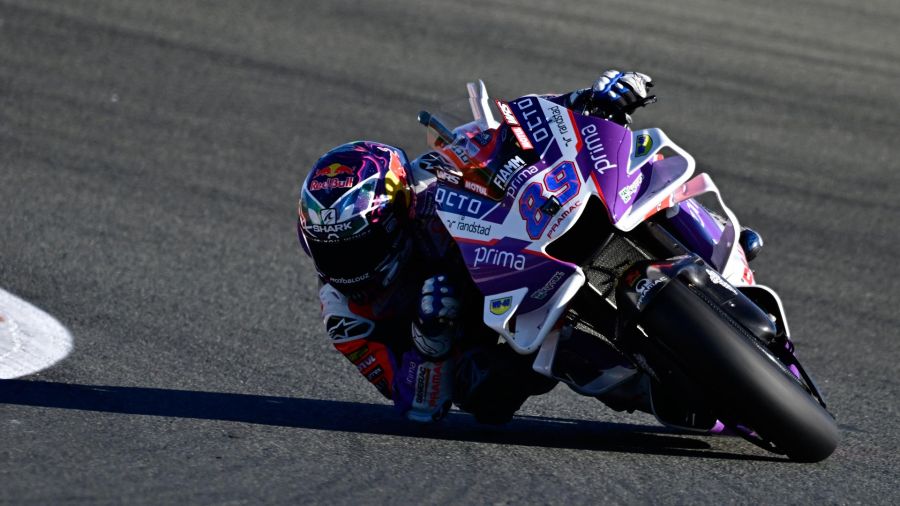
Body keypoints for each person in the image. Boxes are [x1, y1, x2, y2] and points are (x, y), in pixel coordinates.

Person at [296, 71, 662, 423]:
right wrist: (430, 338)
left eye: (357, 248)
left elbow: (514, 129)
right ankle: (643, 387)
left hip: (518, 251)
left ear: (397, 215)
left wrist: (589, 101)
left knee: (637, 171)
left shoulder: (427, 179)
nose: (346, 266)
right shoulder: (345, 315)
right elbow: (416, 407)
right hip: (482, 331)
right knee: (484, 391)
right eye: (332, 252)